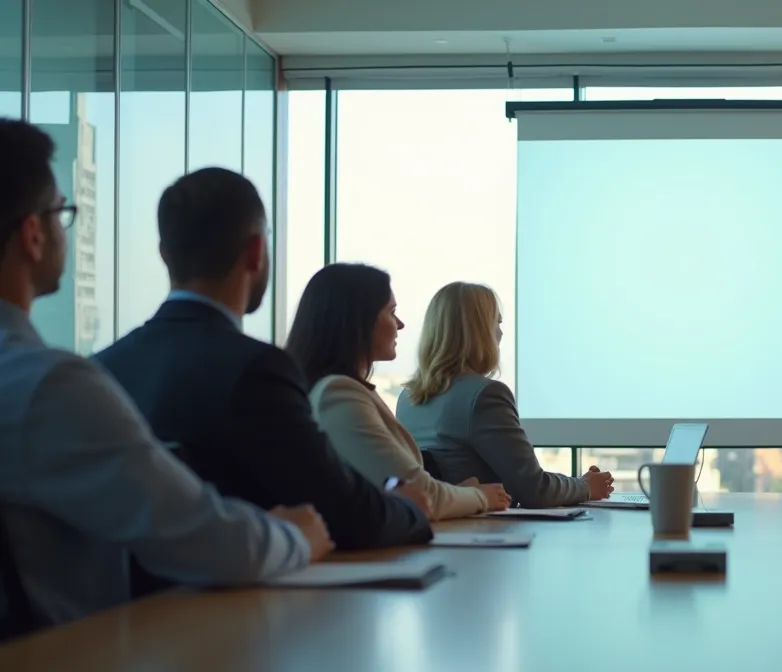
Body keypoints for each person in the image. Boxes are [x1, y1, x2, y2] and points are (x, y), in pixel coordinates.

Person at [0, 119, 330, 638]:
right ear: (33, 235)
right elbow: (211, 543)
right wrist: (296, 536)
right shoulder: (47, 387)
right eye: (63, 214)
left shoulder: (85, 369)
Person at [93, 168, 433, 552]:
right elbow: (345, 511)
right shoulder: (256, 370)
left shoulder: (103, 367)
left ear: (164, 255)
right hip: (244, 588)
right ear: (256, 252)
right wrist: (408, 509)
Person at [285, 263, 512, 519]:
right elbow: (421, 493)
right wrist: (482, 496)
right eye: (392, 312)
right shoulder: (339, 395)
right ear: (360, 321)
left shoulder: (359, 393)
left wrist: (459, 493)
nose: (401, 324)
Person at [395, 281, 615, 508]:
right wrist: (585, 487)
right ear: (480, 331)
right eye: (497, 322)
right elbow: (533, 489)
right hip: (483, 524)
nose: (500, 332)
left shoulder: (407, 398)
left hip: (442, 524)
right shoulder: (485, 395)